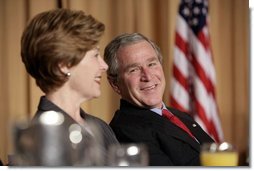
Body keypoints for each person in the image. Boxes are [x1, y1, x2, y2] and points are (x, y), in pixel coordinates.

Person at [20, 8, 118, 166]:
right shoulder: (42, 138)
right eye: (95, 55)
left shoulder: (100, 127)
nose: (104, 65)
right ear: (64, 65)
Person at [103, 32, 215, 166]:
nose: (148, 76)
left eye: (151, 64)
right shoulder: (127, 131)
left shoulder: (178, 116)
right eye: (134, 70)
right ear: (115, 84)